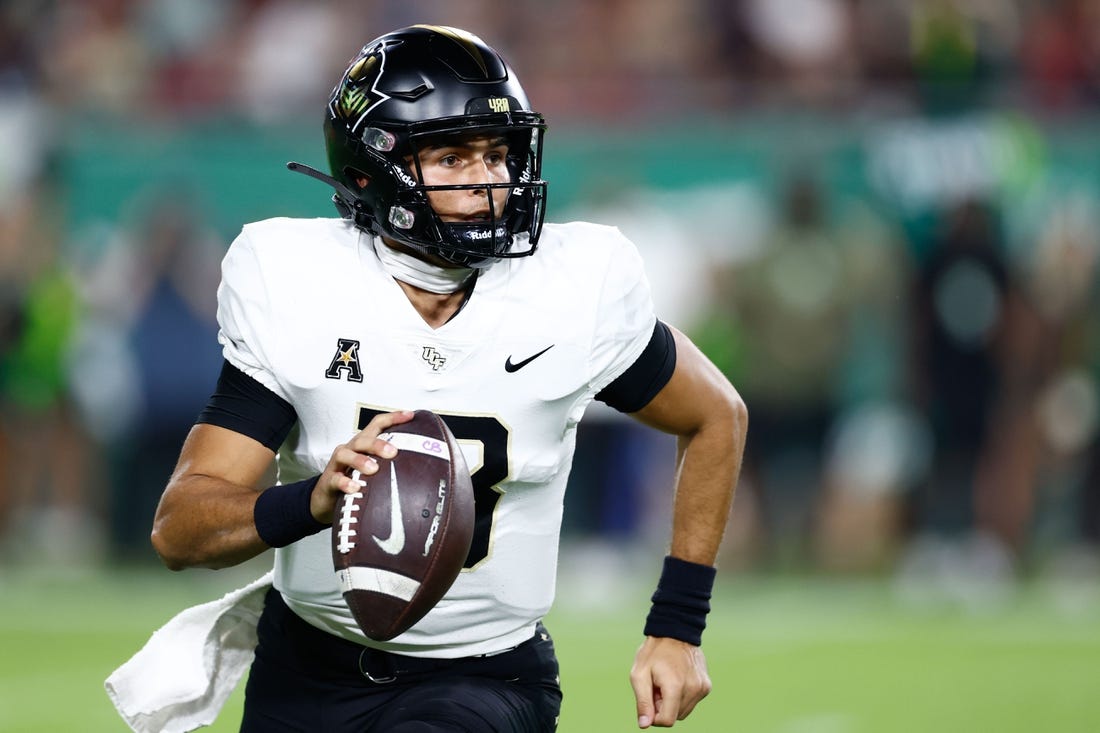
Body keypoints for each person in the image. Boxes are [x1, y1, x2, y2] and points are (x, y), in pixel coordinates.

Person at [147, 25, 746, 732]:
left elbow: (716, 415)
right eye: (453, 156)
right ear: (373, 169)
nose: (488, 180)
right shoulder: (298, 282)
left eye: (497, 154)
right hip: (305, 670)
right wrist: (311, 501)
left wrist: (677, 626)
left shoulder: (572, 287)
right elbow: (180, 529)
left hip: (485, 678)